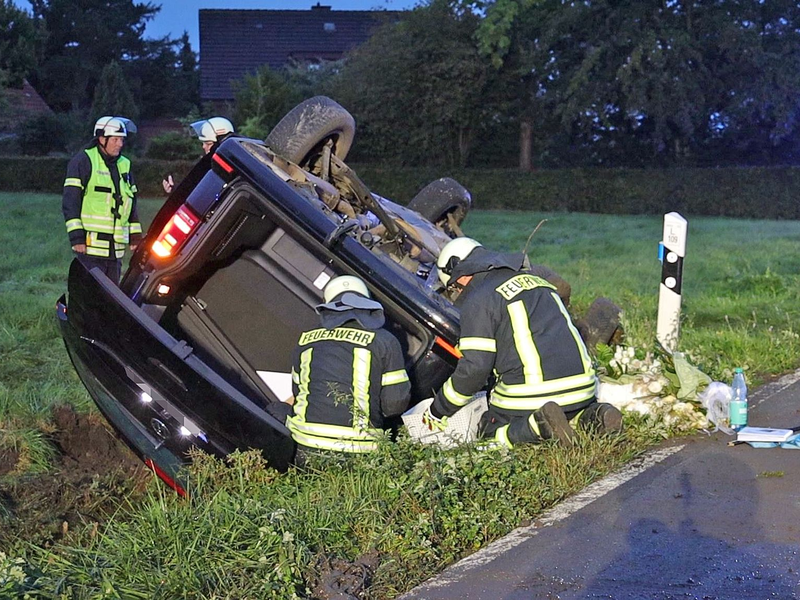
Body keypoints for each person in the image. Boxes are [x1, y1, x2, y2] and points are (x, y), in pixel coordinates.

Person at [422, 237, 622, 449]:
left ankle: (538, 426)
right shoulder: (539, 282)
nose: (457, 295)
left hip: (533, 395)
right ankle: (593, 416)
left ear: (460, 276)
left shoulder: (479, 299)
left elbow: (475, 368)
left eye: (453, 289)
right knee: (569, 408)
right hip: (583, 388)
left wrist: (438, 410)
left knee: (487, 430)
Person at [286, 275, 412, 455]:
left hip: (305, 446)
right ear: (365, 302)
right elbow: (394, 405)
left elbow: (298, 392)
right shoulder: (385, 341)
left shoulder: (305, 340)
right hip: (359, 452)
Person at [62, 116, 141, 285]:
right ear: (101, 139)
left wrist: (135, 236)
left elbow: (131, 203)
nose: (120, 144)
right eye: (115, 139)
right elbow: (71, 201)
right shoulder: (83, 161)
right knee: (91, 295)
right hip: (91, 247)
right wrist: (76, 238)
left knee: (110, 297)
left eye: (121, 139)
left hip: (116, 250)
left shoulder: (125, 164)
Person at [162, 117, 235, 194]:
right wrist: (175, 190)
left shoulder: (226, 168)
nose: (203, 147)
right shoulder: (210, 165)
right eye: (203, 143)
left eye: (208, 143)